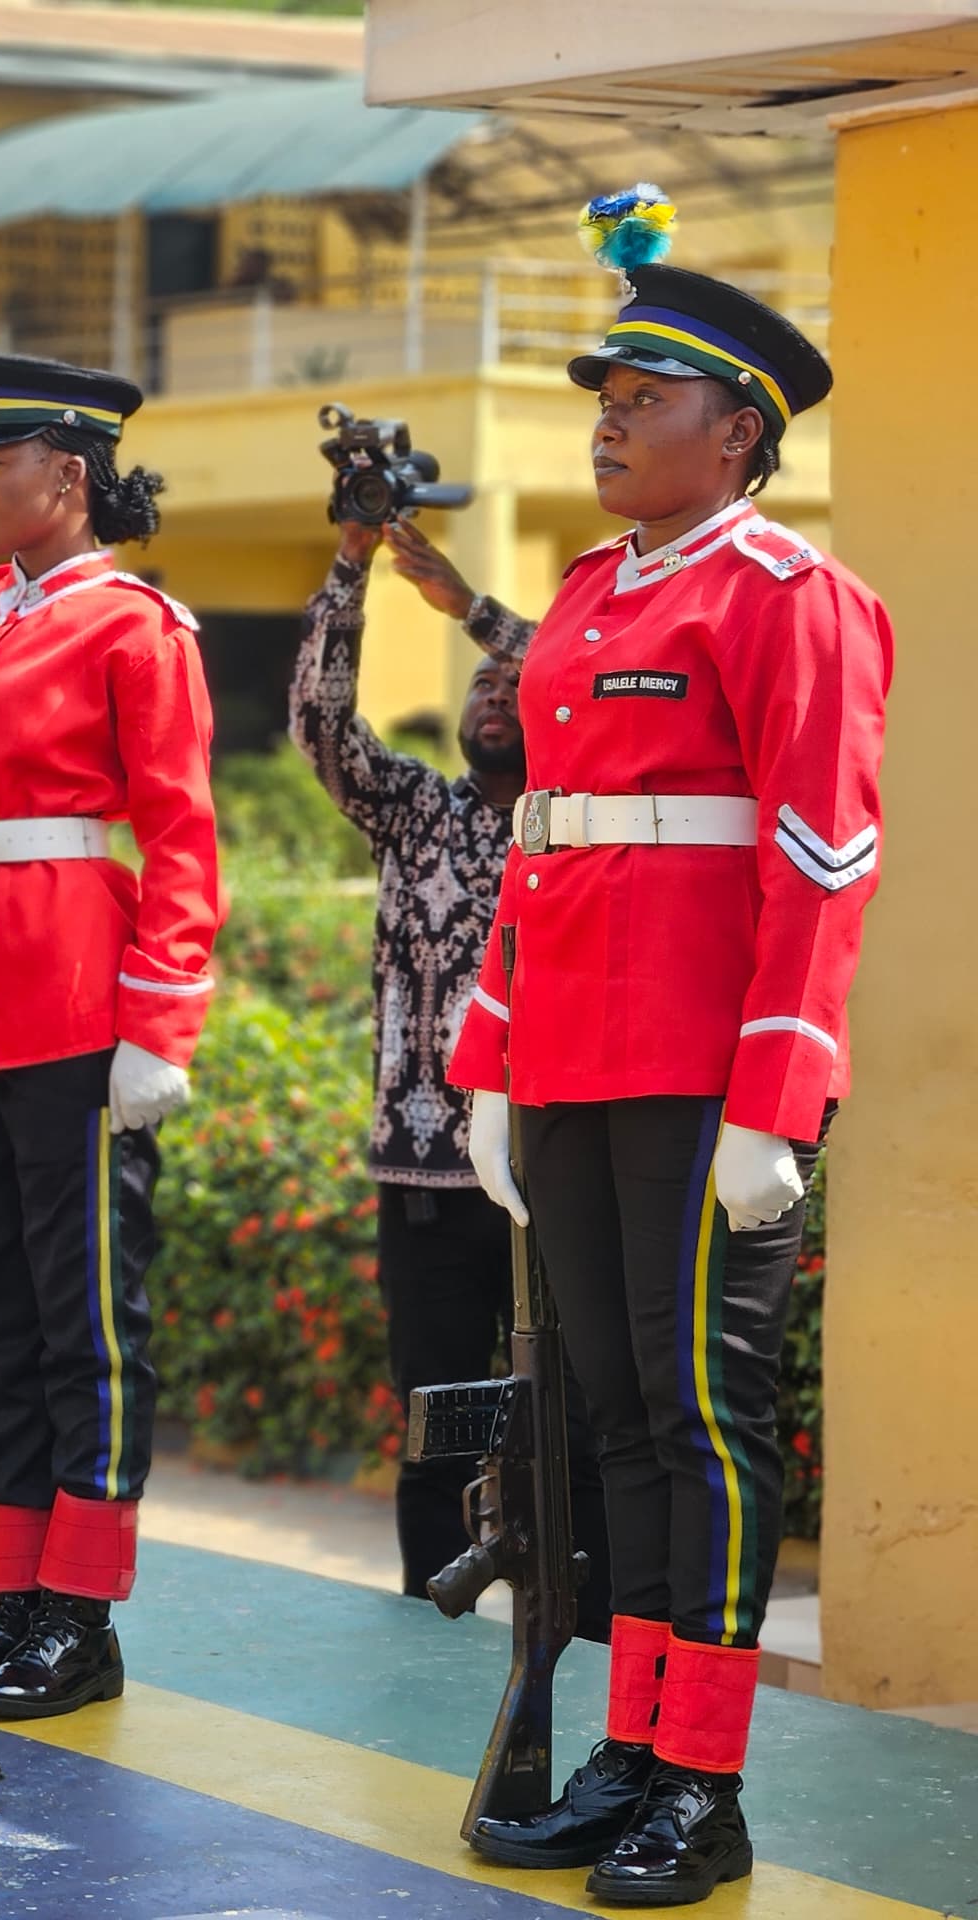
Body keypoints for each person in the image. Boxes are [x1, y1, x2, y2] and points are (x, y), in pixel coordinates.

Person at [449, 194, 886, 1905]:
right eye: (607, 397)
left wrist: (779, 1100)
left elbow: (824, 860)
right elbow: (543, 849)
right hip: (572, 1062)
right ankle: (633, 1747)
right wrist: (494, 1064)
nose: (610, 420)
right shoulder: (589, 595)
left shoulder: (792, 596)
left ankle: (703, 1783)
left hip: (705, 1076)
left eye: (648, 398)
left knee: (703, 1421)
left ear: (741, 433)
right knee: (617, 1416)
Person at [0, 303, 221, 1720]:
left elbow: (182, 836)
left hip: (74, 1006)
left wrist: (161, 1025)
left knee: (86, 1320)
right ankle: (13, 1590)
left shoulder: (136, 627)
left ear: (68, 475)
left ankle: (81, 1608)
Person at [288, 516, 613, 1635]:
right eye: (479, 682)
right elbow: (320, 722)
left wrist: (474, 609)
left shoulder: (582, 820)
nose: (492, 692)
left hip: (560, 1160)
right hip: (426, 1179)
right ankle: (430, 1643)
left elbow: (591, 672)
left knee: (578, 1428)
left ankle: (584, 1640)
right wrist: (350, 569)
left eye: (512, 681)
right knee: (436, 1427)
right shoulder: (414, 809)